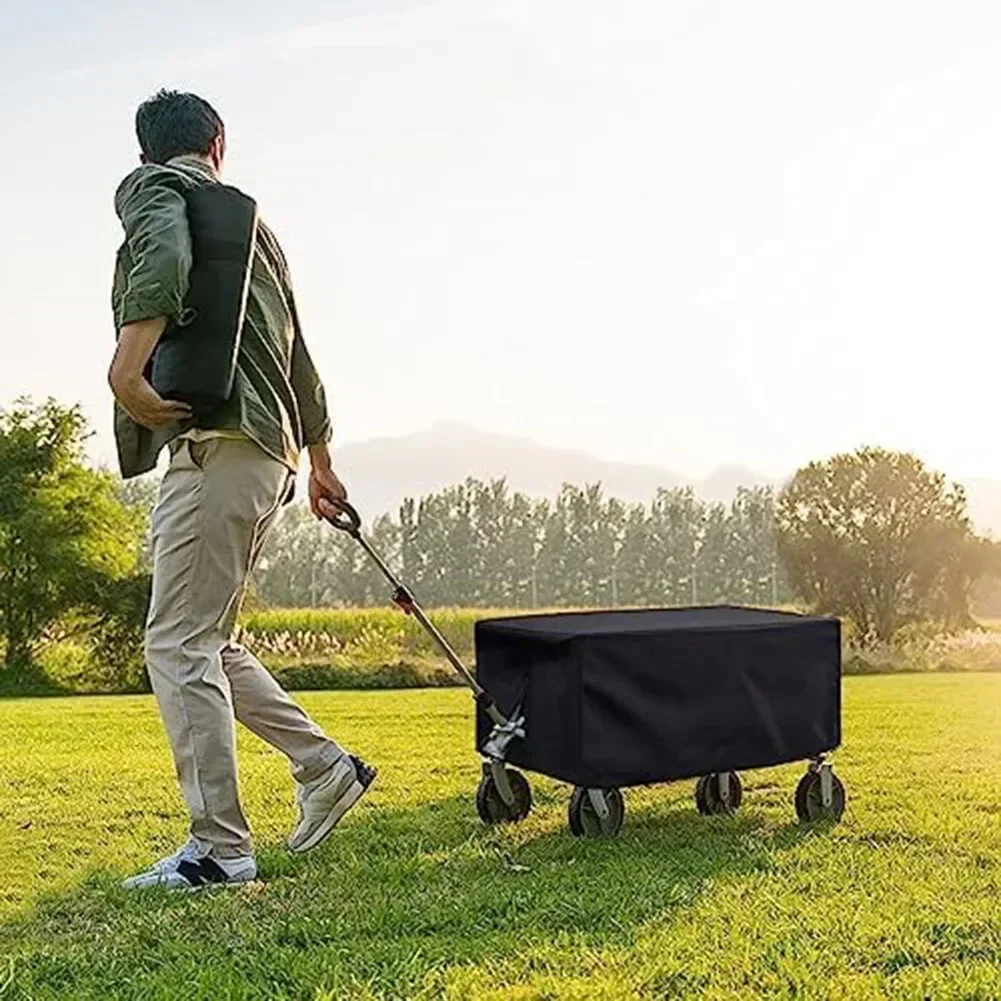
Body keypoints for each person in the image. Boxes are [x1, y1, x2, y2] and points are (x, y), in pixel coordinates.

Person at [108, 89, 375, 891]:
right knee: (208, 639)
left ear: (150, 152)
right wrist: (320, 459)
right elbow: (298, 347)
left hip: (220, 441)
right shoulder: (258, 231)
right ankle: (323, 765)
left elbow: (159, 258)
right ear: (219, 142)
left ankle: (219, 851)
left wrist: (127, 364)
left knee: (176, 642)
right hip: (270, 451)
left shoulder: (159, 189)